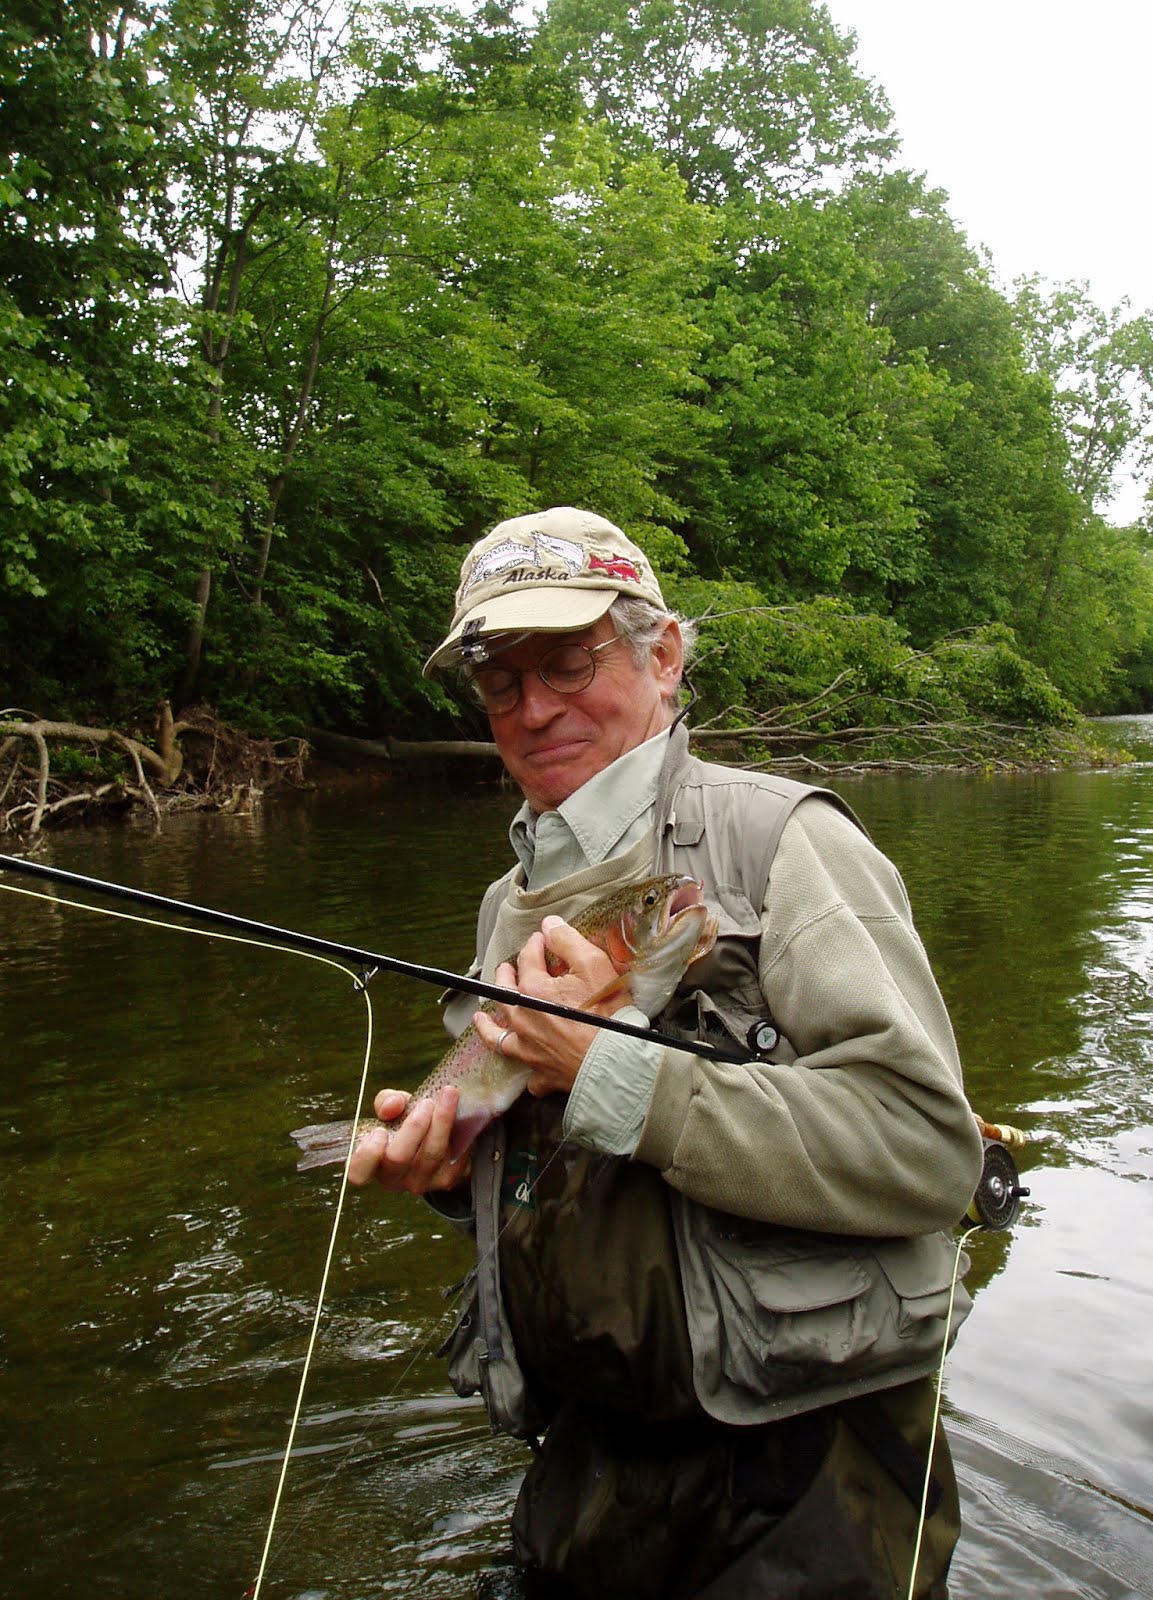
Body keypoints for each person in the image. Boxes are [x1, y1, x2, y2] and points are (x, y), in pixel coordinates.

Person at [348, 506, 984, 1600]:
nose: (536, 705)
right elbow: (558, 1177)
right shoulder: (511, 900)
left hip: (805, 1483)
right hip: (592, 1466)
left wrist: (607, 1071)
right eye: (501, 679)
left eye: (569, 659)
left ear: (664, 652)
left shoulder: (787, 843)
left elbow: (930, 1152)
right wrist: (455, 1176)